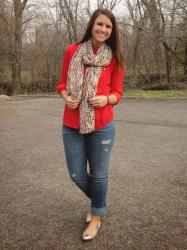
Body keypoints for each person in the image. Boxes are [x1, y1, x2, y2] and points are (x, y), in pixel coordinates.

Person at [56, 8, 124, 240]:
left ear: (112, 31)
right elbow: (61, 84)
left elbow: (118, 93)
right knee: (76, 173)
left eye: (108, 26)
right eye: (100, 24)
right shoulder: (72, 51)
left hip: (102, 124)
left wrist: (106, 99)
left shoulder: (114, 58)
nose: (103, 29)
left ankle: (96, 216)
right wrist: (66, 97)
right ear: (91, 25)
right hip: (71, 122)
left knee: (99, 174)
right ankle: (99, 202)